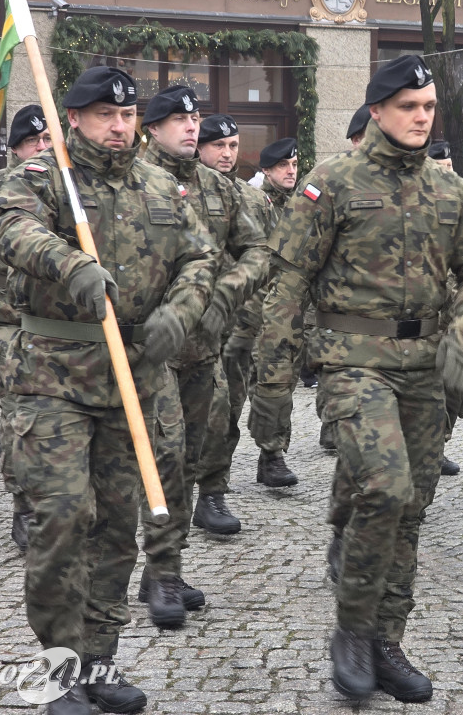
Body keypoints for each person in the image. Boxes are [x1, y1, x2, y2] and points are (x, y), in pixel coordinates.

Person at [251, 54, 463, 702]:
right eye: (409, 107)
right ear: (380, 111)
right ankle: (353, 631)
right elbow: (291, 281)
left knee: (412, 508)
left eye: (429, 108)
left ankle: (389, 638)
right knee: (384, 490)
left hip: (424, 370)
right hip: (351, 361)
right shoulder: (332, 182)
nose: (421, 118)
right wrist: (272, 379)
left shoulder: (450, 190)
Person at [0, 66, 217, 715]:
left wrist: (180, 311)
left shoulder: (159, 184)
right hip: (53, 375)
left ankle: (99, 660)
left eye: (128, 115)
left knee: (118, 528)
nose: (120, 127)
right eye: (105, 116)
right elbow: (12, 230)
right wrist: (73, 265)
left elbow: (201, 258)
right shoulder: (39, 179)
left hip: (133, 377)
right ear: (76, 119)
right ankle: (58, 672)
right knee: (63, 518)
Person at [139, 86, 267, 628]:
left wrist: (226, 294)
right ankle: (160, 572)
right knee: (163, 459)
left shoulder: (220, 188)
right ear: (152, 129)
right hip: (149, 352)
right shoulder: (136, 182)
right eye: (177, 120)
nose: (190, 128)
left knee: (192, 459)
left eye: (194, 119)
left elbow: (259, 252)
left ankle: (166, 565)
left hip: (204, 350)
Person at [196, 114, 277, 529]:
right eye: (218, 146)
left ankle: (212, 494)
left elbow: (271, 258)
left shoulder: (253, 199)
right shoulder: (177, 189)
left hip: (240, 326)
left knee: (226, 412)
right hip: (187, 323)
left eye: (232, 146)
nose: (226, 154)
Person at [0, 105, 52, 549]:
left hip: (51, 321)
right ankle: (24, 508)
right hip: (4, 318)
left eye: (48, 141)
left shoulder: (69, 189)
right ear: (14, 149)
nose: (42, 149)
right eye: (33, 142)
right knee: (19, 416)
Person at [250, 136, 302, 486]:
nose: (291, 171)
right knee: (268, 384)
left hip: (291, 311)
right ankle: (269, 452)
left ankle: (272, 454)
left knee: (282, 383)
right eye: (284, 165)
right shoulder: (255, 203)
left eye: (295, 165)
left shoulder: (301, 205)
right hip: (255, 310)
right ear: (266, 170)